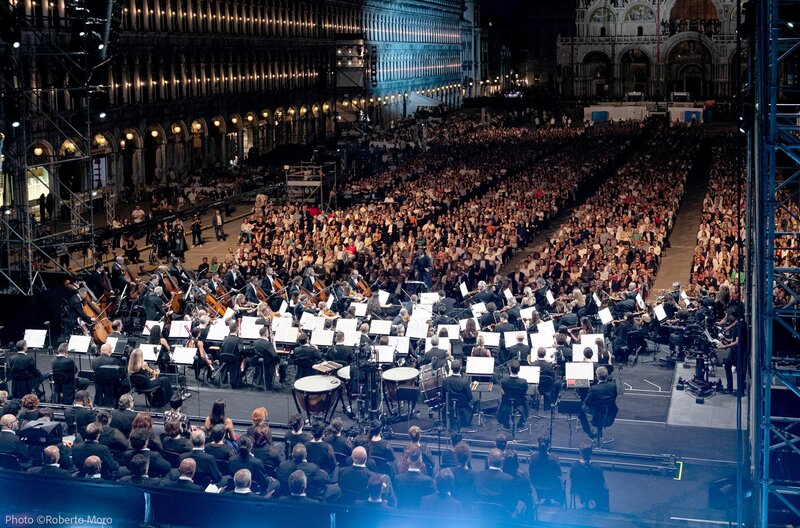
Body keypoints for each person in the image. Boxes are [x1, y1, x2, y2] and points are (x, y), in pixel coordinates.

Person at [578, 366, 618, 440]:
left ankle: (589, 432)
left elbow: (587, 403)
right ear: (607, 375)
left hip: (597, 412)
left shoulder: (593, 388)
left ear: (597, 376)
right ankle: (599, 432)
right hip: (609, 412)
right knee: (601, 410)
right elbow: (614, 397)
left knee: (580, 410)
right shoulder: (613, 386)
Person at [473, 448, 516, 512]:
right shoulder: (508, 479)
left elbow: (472, 496)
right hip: (501, 515)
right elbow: (512, 502)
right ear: (502, 462)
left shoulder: (477, 476)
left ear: (488, 461)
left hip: (479, 513)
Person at [569, 444, 609, 511]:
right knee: (605, 489)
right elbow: (602, 481)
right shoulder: (597, 467)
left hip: (578, 490)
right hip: (594, 491)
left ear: (580, 452)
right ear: (591, 453)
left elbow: (572, 478)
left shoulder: (574, 466)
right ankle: (602, 509)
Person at [441, 359, 475, 432]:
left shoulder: (445, 381)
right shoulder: (464, 381)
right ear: (460, 368)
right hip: (462, 408)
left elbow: (443, 396)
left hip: (449, 406)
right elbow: (469, 397)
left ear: (451, 368)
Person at [529, 438, 565, 505]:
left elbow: (530, 472)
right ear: (548, 447)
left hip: (536, 486)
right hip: (551, 486)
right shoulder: (554, 458)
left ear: (538, 446)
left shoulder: (533, 458)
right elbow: (559, 473)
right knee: (560, 480)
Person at [496, 360, 529, 431]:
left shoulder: (503, 381)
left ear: (509, 369)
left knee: (500, 399)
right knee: (529, 400)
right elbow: (525, 391)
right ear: (519, 370)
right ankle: (521, 423)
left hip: (507, 402)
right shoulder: (523, 382)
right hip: (520, 403)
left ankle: (505, 423)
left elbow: (503, 391)